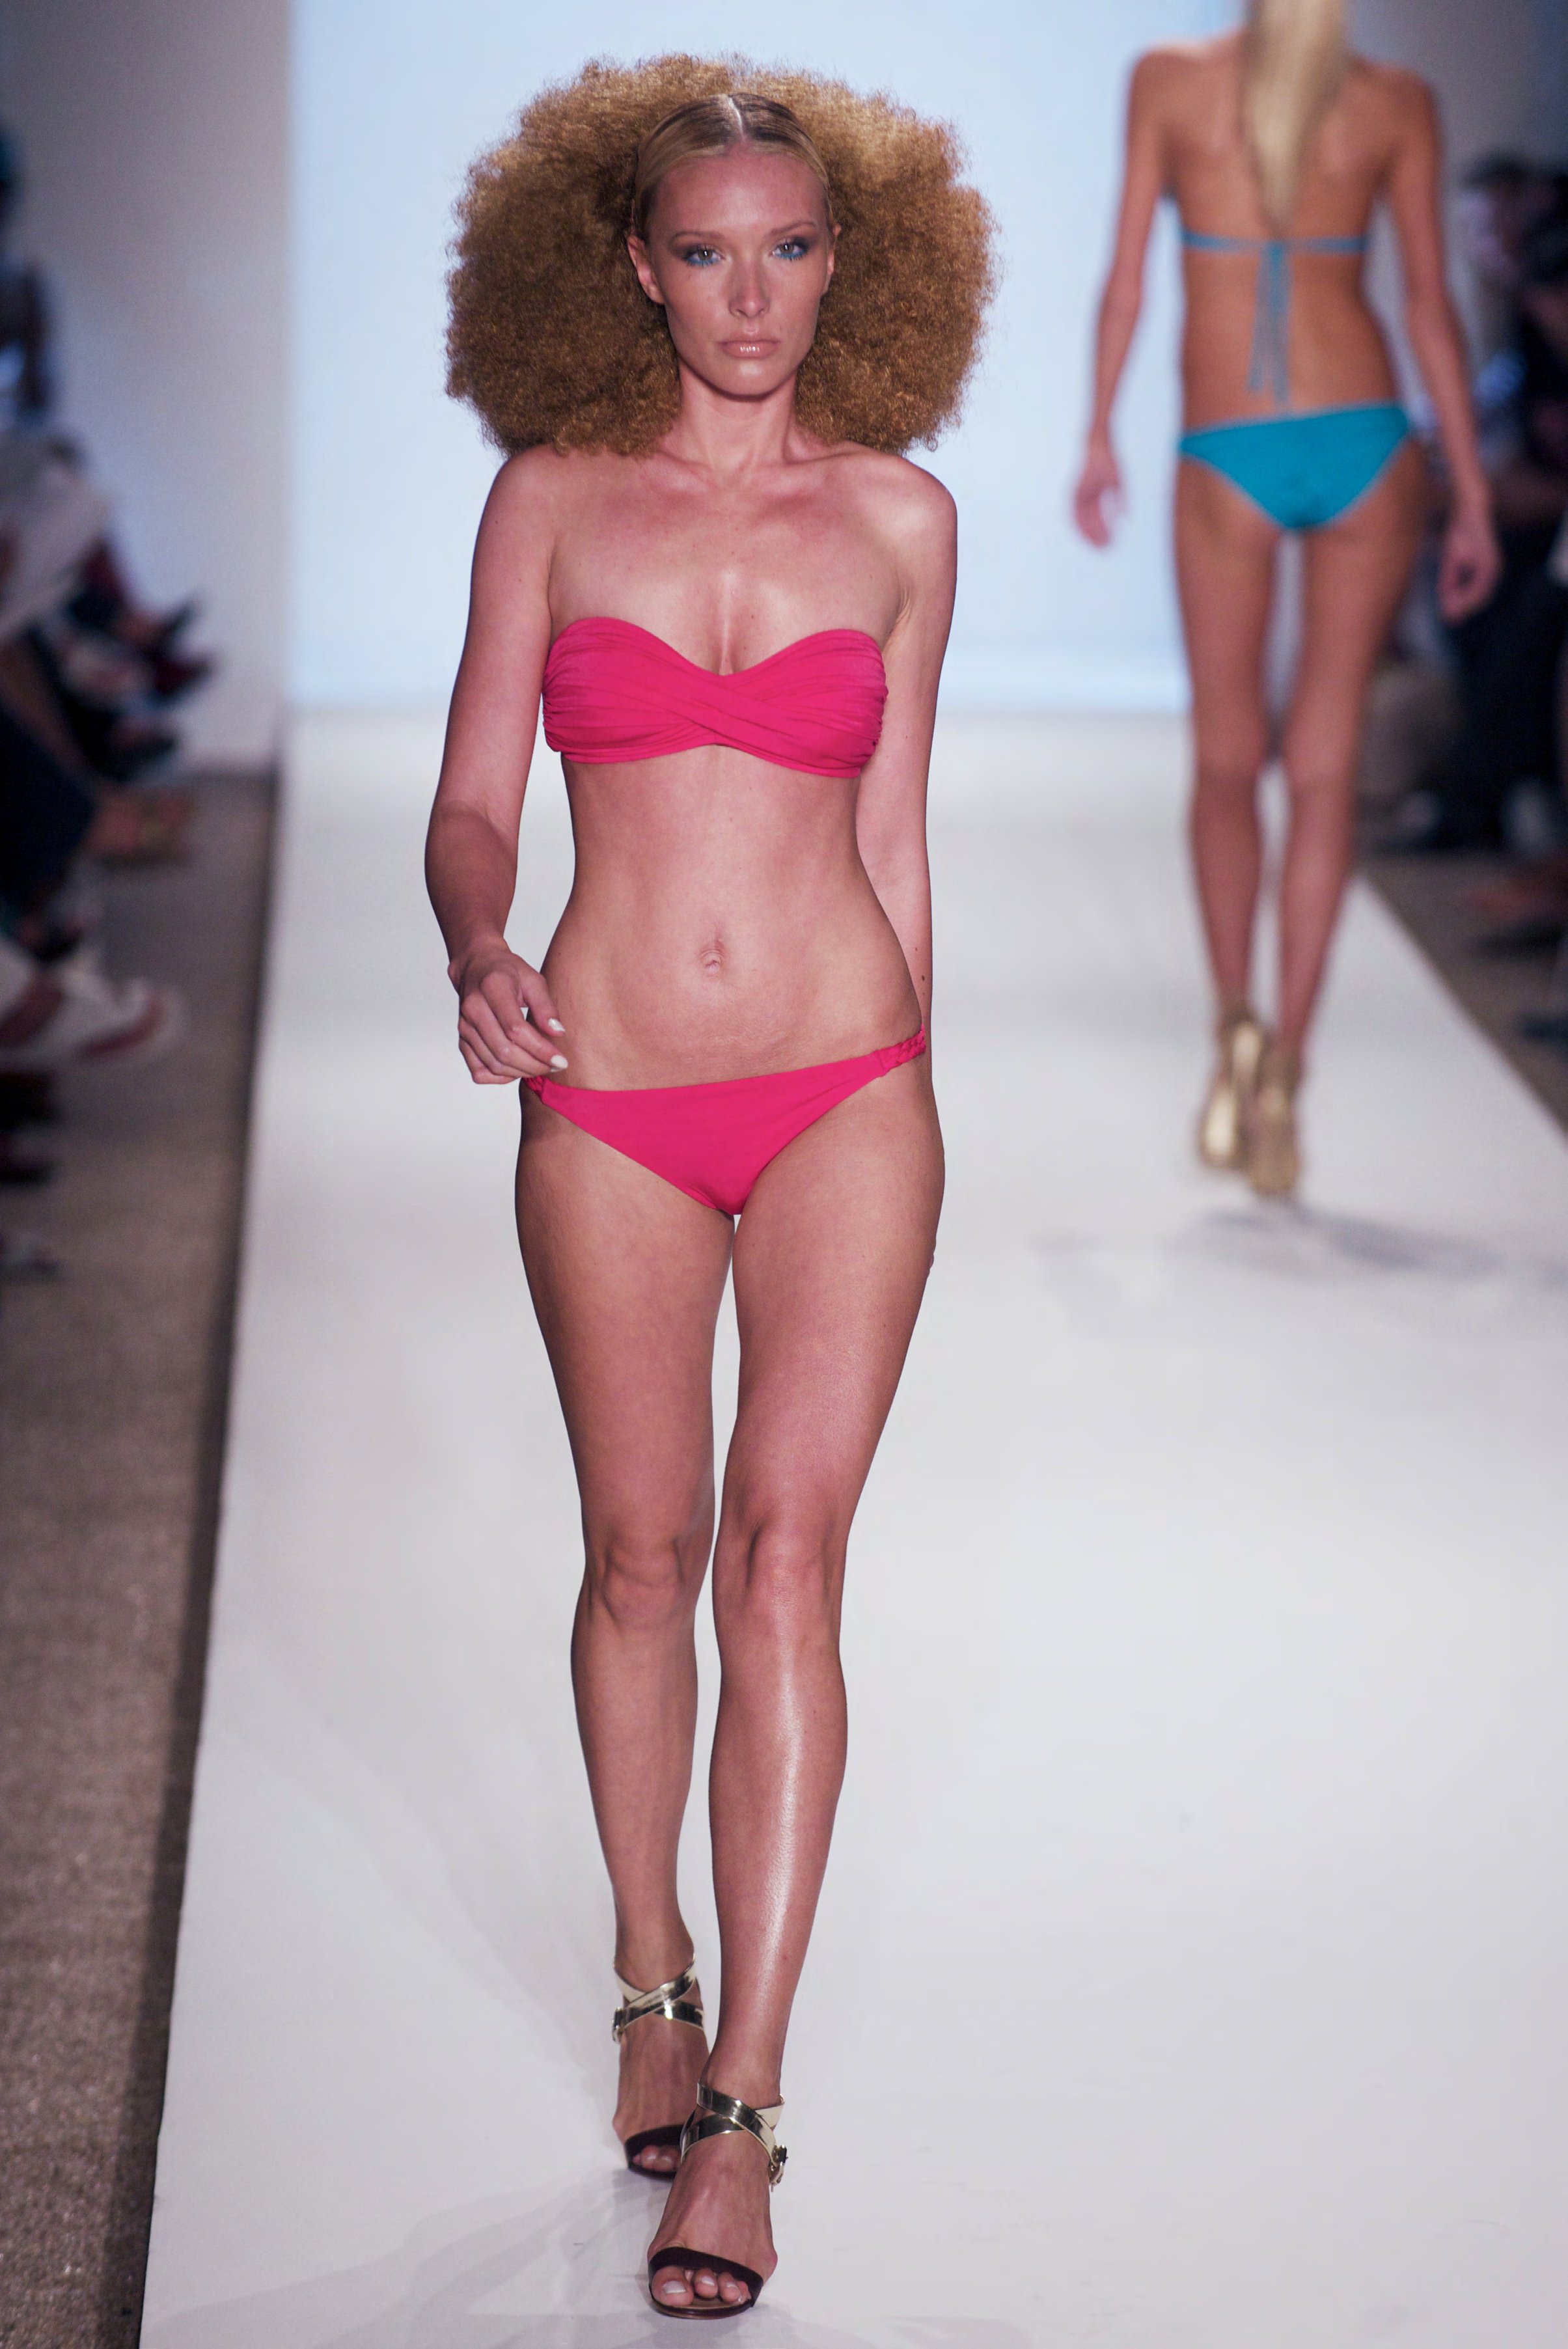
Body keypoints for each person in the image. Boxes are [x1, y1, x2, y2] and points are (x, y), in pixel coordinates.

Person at [426, 60, 992, 2317]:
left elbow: (898, 837)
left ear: (845, 263)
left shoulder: (905, 518)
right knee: (642, 1551)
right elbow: (476, 794)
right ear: (633, 268)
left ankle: (743, 2109)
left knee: (786, 1564)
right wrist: (475, 940)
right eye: (704, 252)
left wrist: (923, 1090)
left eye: (787, 249)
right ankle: (651, 1972)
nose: (749, 295)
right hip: (612, 1088)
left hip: (849, 1084)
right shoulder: (552, 499)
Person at [1073, 0, 1499, 1196]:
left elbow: (1124, 280)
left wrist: (1097, 433)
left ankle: (1234, 1039)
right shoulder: (1396, 103)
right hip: (1367, 439)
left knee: (1225, 759)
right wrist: (1468, 489)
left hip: (1229, 441)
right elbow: (1428, 307)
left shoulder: (1167, 81)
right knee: (1322, 764)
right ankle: (1286, 1076)